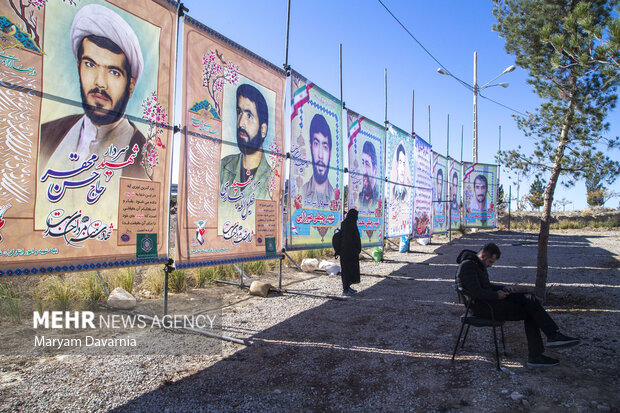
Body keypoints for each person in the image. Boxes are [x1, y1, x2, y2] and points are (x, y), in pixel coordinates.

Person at [39, 4, 147, 180]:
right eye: (90, 65)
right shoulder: (47, 135)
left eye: (114, 72)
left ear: (130, 85)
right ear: (78, 67)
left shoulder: (143, 155)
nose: (100, 83)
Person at [456, 243, 581, 367]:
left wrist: (503, 288)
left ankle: (551, 337)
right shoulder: (468, 266)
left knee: (529, 299)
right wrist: (496, 295)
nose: (490, 265)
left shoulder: (477, 264)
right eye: (490, 261)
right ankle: (540, 350)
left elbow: (486, 287)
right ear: (483, 255)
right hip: (482, 308)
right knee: (530, 312)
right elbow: (476, 292)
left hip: (488, 302)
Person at [220, 83, 272, 200]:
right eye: (239, 112)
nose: (240, 123)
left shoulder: (272, 178)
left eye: (249, 115)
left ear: (263, 130)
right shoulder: (223, 167)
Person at [301, 114, 334, 206]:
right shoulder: (301, 192)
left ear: (330, 153)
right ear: (310, 147)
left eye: (325, 147)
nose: (320, 155)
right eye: (316, 144)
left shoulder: (335, 196)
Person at [338, 208, 362, 296]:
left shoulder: (344, 223)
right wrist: (357, 249)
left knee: (346, 270)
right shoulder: (351, 224)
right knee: (348, 270)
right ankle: (345, 290)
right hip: (350, 252)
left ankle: (347, 287)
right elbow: (354, 238)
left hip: (344, 252)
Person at [358, 140, 378, 209]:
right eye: (362, 163)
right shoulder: (361, 196)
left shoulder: (377, 198)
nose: (364, 171)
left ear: (375, 171)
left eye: (367, 164)